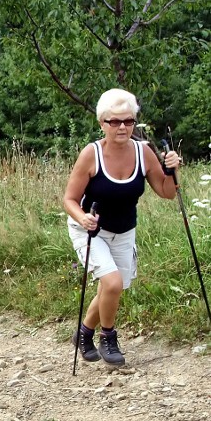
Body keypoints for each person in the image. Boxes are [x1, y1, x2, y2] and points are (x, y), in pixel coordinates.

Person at [63, 89, 180, 366]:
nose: (122, 127)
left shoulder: (143, 152)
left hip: (125, 230)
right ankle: (108, 337)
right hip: (90, 229)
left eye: (128, 121)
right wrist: (82, 218)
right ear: (102, 123)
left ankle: (83, 333)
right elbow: (69, 199)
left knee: (112, 288)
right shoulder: (91, 154)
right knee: (112, 283)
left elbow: (167, 192)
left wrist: (173, 170)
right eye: (114, 122)